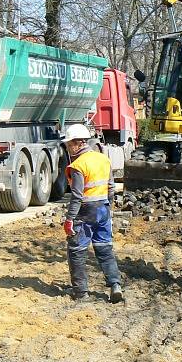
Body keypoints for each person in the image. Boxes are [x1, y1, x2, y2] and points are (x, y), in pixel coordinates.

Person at [61, 123, 123, 303]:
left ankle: (81, 293)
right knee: (105, 250)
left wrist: (69, 219)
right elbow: (111, 187)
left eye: (68, 144)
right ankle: (115, 285)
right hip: (102, 209)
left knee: (76, 251)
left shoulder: (79, 165)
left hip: (85, 212)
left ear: (77, 143)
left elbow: (77, 196)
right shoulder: (103, 159)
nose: (67, 148)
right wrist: (107, 208)